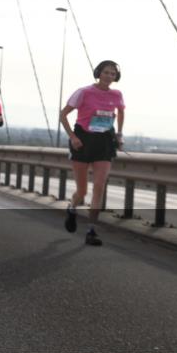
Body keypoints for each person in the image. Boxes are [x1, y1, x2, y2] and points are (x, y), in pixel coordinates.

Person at [59, 60, 125, 246]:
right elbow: (63, 115)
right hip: (83, 141)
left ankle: (91, 230)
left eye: (113, 74)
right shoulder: (84, 92)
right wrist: (72, 137)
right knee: (82, 191)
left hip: (105, 142)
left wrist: (119, 134)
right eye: (106, 72)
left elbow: (120, 112)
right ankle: (72, 208)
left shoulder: (117, 94)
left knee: (99, 186)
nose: (109, 76)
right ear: (98, 73)